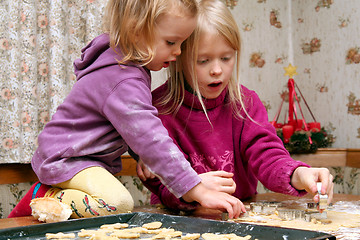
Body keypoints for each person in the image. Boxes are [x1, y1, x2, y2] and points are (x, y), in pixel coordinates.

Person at [9, 0, 241, 220]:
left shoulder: (126, 68)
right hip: (67, 159)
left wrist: (141, 156)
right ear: (136, 30)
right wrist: (196, 189)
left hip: (77, 157)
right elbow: (150, 137)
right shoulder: (122, 78)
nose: (178, 51)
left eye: (182, 43)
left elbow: (126, 125)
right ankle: (41, 197)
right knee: (117, 203)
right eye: (171, 42)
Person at [138, 0, 334, 216]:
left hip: (238, 216)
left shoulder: (246, 103)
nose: (217, 70)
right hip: (181, 218)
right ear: (177, 58)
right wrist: (191, 189)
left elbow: (268, 155)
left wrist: (297, 174)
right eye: (202, 60)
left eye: (226, 58)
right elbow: (158, 181)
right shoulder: (157, 110)